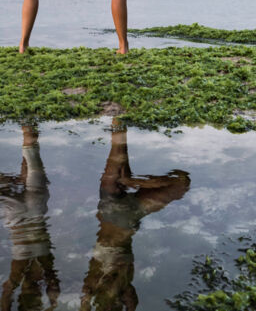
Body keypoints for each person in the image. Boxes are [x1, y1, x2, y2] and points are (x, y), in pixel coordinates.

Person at [79, 119, 190, 310]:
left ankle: (131, 177)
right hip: (127, 215)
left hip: (116, 210)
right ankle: (132, 180)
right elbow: (131, 300)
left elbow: (126, 301)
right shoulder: (119, 288)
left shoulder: (94, 287)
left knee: (119, 152)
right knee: (181, 182)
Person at [0, 125, 61, 310]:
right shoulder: (18, 276)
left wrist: (53, 305)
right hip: (16, 217)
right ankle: (10, 178)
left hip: (36, 211)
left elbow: (54, 287)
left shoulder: (44, 271)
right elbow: (7, 291)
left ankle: (27, 127)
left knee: (33, 155)